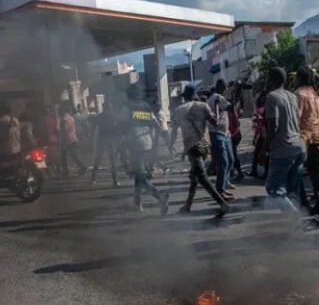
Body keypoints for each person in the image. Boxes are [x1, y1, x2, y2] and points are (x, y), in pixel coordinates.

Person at [171, 85, 229, 217]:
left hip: (193, 147)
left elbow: (173, 131)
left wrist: (170, 146)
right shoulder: (203, 106)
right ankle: (187, 205)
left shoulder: (179, 110)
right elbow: (216, 123)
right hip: (204, 147)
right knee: (194, 177)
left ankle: (223, 204)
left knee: (202, 177)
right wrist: (217, 108)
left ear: (185, 97)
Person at [264, 67, 306, 211]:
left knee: (273, 189)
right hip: (298, 146)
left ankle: (296, 218)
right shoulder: (292, 96)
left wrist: (265, 148)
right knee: (292, 191)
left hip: (282, 148)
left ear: (271, 80)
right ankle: (296, 224)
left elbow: (273, 126)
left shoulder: (272, 97)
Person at [123, 84, 169, 215]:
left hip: (135, 144)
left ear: (129, 95)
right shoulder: (146, 107)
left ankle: (160, 197)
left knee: (140, 175)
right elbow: (157, 125)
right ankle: (137, 203)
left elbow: (122, 127)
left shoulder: (128, 107)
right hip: (147, 143)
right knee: (139, 174)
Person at [295, 66, 319, 216]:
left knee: (297, 171)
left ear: (300, 78)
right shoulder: (315, 95)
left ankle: (304, 204)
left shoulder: (299, 94)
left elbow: (297, 116)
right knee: (317, 172)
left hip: (305, 138)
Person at [207, 79, 234, 199]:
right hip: (217, 134)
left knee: (230, 160)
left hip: (224, 134)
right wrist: (235, 94)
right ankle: (220, 189)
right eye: (226, 88)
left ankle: (223, 185)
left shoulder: (215, 97)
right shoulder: (218, 97)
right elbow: (231, 108)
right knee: (223, 162)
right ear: (223, 88)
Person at [90, 106, 120, 187]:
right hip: (110, 140)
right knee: (113, 161)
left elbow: (93, 128)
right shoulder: (113, 117)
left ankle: (93, 180)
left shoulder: (99, 117)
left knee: (98, 160)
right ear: (109, 108)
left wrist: (90, 138)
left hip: (101, 139)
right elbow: (116, 129)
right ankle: (115, 181)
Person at [60, 103, 86, 177]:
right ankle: (82, 167)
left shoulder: (64, 118)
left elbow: (65, 129)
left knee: (63, 155)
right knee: (73, 155)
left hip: (67, 139)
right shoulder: (71, 118)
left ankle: (66, 171)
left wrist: (63, 140)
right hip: (73, 137)